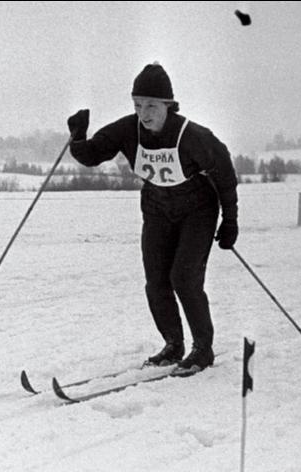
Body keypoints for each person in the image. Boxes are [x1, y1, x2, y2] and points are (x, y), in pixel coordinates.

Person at [67, 62, 239, 374]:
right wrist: (77, 136)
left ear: (168, 106)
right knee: (156, 281)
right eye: (137, 105)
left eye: (151, 105)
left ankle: (203, 350)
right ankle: (173, 345)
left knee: (184, 278)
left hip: (197, 209)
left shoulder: (192, 135)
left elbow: (224, 174)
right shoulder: (129, 129)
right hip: (157, 209)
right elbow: (92, 154)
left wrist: (230, 221)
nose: (144, 113)